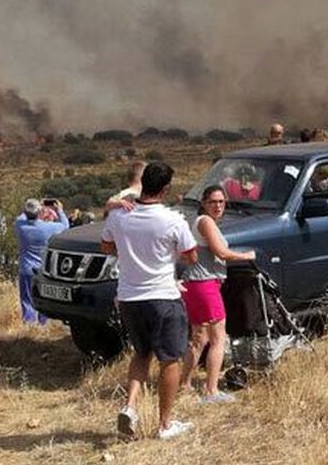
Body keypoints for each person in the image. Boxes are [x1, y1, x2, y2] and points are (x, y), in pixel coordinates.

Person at [102, 163, 199, 440]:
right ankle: (165, 424)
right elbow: (190, 256)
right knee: (170, 360)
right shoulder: (173, 220)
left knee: (141, 353)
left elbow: (106, 246)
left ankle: (130, 406)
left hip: (129, 297)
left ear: (142, 183)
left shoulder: (120, 216)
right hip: (163, 296)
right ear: (166, 189)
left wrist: (130, 254)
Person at [180, 186, 256, 403]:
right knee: (218, 337)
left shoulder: (199, 223)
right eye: (213, 201)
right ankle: (211, 390)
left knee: (199, 338)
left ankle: (184, 384)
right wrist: (246, 256)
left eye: (222, 202)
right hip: (205, 284)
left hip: (195, 283)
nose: (218, 206)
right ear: (203, 203)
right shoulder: (205, 222)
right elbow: (221, 252)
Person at [15, 198, 69, 325]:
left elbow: (21, 216)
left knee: (27, 299)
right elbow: (65, 225)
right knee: (43, 299)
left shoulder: (20, 226)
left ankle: (29, 323)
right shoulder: (49, 228)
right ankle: (43, 323)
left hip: (26, 268)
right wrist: (59, 210)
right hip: (43, 270)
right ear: (39, 212)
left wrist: (34, 205)